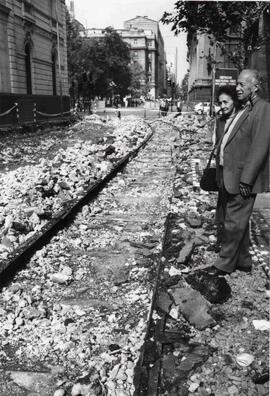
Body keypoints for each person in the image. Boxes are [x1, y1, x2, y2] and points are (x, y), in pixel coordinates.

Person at [206, 69, 270, 276]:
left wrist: (247, 179)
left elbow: (259, 147)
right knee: (237, 220)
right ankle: (243, 260)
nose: (238, 88)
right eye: (237, 84)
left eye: (243, 84)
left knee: (233, 222)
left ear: (256, 86)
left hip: (242, 178)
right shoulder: (245, 108)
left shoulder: (263, 109)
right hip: (229, 174)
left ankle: (224, 263)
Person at [213, 86, 240, 245]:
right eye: (220, 102)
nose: (222, 106)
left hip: (236, 171)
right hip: (222, 170)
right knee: (222, 205)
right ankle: (222, 239)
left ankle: (232, 243)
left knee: (234, 209)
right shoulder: (220, 121)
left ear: (234, 102)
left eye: (225, 102)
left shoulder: (242, 119)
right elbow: (217, 145)